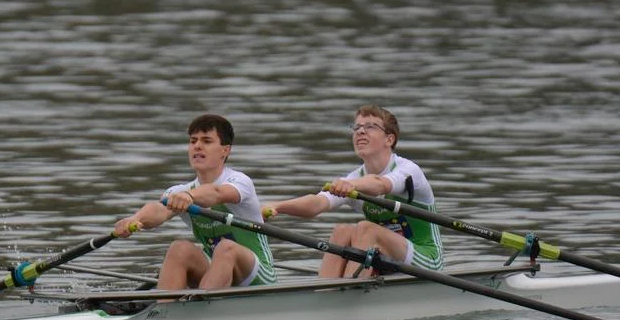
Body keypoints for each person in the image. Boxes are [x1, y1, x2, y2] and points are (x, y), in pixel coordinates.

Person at [263, 104, 443, 277]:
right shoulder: (354, 178)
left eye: (370, 127)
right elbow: (316, 204)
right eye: (357, 127)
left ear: (389, 139)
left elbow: (380, 184)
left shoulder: (408, 170)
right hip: (388, 260)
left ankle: (350, 289)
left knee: (366, 228)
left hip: (426, 260)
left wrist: (353, 186)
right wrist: (277, 206)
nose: (360, 131)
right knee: (342, 231)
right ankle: (326, 288)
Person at [114, 114, 276, 290]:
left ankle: (203, 302)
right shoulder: (181, 191)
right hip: (215, 269)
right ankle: (166, 306)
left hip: (257, 274)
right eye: (193, 141)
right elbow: (159, 210)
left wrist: (190, 196)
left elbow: (216, 193)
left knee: (226, 248)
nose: (197, 146)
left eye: (206, 141)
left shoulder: (239, 181)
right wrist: (135, 219)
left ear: (225, 150)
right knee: (179, 249)